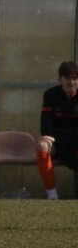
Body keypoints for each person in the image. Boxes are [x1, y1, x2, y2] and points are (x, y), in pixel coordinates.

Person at [37, 60, 78, 199]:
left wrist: (58, 133)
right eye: (68, 78)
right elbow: (45, 128)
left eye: (75, 78)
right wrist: (64, 135)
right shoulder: (50, 95)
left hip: (72, 142)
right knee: (42, 145)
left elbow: (51, 131)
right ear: (60, 79)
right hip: (57, 143)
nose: (72, 82)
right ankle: (52, 195)